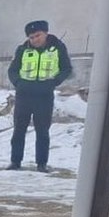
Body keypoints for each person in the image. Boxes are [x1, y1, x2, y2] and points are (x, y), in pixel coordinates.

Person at [6, 20, 72, 173]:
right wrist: (18, 83)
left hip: (44, 95)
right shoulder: (22, 50)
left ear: (45, 33)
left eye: (38, 35)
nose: (35, 39)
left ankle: (41, 163)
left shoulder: (57, 48)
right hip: (24, 95)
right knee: (19, 130)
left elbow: (66, 68)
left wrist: (54, 82)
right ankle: (15, 161)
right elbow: (13, 71)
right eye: (31, 37)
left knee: (42, 131)